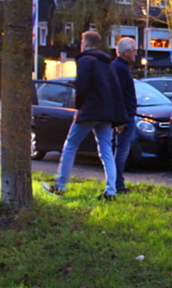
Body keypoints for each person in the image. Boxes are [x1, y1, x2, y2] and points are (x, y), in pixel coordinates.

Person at [43, 31, 128, 200]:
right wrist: (119, 117)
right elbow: (116, 90)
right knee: (106, 150)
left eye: (81, 41)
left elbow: (82, 87)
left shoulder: (85, 60)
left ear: (86, 43)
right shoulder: (108, 63)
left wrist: (78, 109)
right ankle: (111, 190)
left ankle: (60, 186)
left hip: (89, 110)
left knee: (70, 146)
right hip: (106, 112)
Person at [111, 37, 137, 194]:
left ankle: (116, 182)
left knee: (119, 150)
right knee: (121, 151)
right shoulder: (121, 69)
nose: (136, 54)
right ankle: (118, 184)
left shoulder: (119, 67)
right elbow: (118, 94)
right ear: (126, 53)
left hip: (124, 115)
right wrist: (120, 119)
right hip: (125, 117)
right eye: (134, 51)